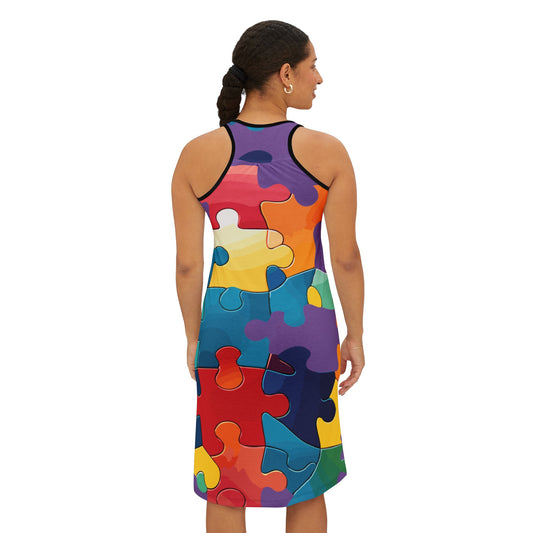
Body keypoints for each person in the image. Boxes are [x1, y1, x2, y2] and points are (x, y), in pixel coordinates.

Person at [171, 20, 365, 533]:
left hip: (227, 335)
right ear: (285, 74)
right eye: (312, 65)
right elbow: (345, 257)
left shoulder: (196, 154)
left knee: (226, 477)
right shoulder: (327, 152)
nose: (318, 77)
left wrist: (193, 337)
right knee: (305, 476)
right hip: (306, 332)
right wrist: (356, 334)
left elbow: (188, 264)